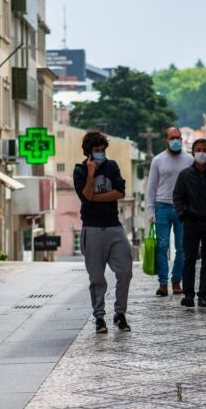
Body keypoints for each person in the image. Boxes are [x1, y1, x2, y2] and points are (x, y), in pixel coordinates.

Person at [74, 130, 132, 334]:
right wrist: (91, 174)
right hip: (92, 227)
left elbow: (120, 192)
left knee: (125, 271)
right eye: (96, 150)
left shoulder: (112, 166)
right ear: (88, 152)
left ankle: (120, 313)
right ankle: (99, 317)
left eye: (102, 150)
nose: (100, 153)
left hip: (114, 226)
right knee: (96, 277)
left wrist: (93, 198)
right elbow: (85, 194)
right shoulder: (80, 170)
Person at [172, 139, 206, 308]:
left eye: (204, 149)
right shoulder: (185, 175)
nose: (201, 152)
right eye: (198, 149)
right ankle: (188, 294)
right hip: (191, 222)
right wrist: (183, 215)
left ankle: (203, 295)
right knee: (189, 259)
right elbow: (177, 197)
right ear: (192, 152)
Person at [146, 126, 193, 297]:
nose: (175, 141)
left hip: (182, 208)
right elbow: (151, 187)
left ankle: (176, 281)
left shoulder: (189, 160)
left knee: (182, 247)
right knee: (162, 245)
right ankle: (163, 283)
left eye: (178, 138)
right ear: (166, 140)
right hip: (162, 207)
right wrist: (150, 210)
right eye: (172, 138)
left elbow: (193, 186)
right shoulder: (158, 160)